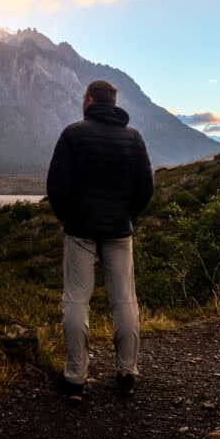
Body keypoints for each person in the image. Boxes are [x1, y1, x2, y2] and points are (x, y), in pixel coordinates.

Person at [46, 79, 154, 402]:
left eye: (84, 98)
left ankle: (76, 376)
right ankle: (126, 372)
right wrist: (128, 215)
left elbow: (56, 186)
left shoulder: (72, 135)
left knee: (77, 300)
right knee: (124, 300)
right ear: (114, 101)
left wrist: (69, 218)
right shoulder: (133, 139)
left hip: (80, 230)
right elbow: (145, 188)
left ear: (90, 100)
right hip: (120, 231)